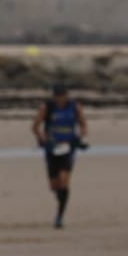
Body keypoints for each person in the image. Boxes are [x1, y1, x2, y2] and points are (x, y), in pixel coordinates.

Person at [31, 82, 87, 228]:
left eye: (62, 96)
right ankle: (60, 195)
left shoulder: (75, 107)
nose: (60, 99)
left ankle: (59, 217)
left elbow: (83, 125)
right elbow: (35, 126)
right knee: (53, 185)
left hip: (68, 149)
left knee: (64, 180)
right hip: (52, 150)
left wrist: (80, 138)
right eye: (57, 96)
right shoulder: (47, 107)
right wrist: (43, 139)